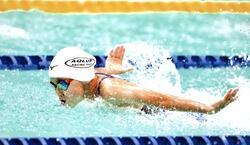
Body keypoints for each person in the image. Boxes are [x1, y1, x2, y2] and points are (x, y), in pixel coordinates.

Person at [49, 45, 239, 114]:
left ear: (80, 79)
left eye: (63, 84)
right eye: (55, 85)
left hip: (170, 114)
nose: (58, 92)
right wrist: (112, 67)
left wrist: (210, 108)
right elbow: (95, 70)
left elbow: (163, 100)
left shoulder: (111, 92)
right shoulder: (89, 81)